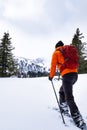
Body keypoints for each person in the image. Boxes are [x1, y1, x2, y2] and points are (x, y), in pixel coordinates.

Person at [48, 41, 86, 129]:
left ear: (56, 47)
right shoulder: (67, 51)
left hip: (67, 76)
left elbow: (53, 66)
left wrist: (51, 76)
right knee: (62, 91)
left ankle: (78, 120)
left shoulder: (56, 53)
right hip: (75, 76)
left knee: (69, 97)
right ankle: (64, 108)